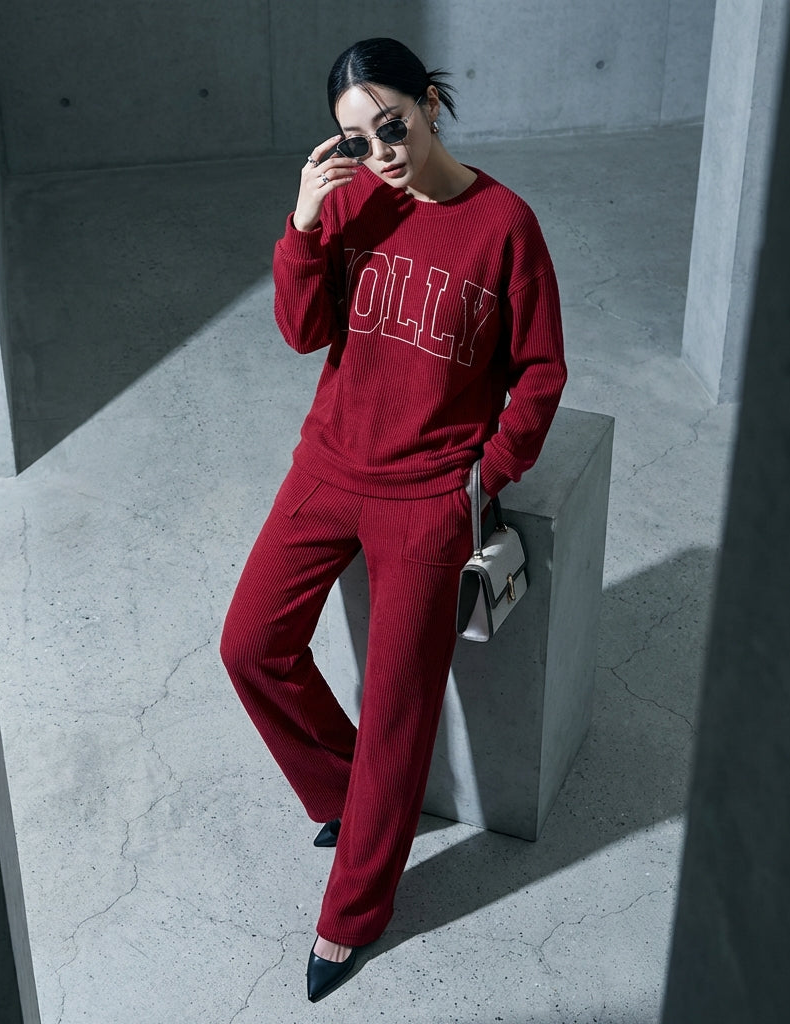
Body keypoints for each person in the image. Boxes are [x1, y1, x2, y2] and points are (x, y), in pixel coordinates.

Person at [220, 37, 566, 1002]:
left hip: (429, 496)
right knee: (250, 645)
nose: (382, 152)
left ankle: (354, 913)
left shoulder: (505, 225)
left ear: (431, 104)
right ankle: (347, 793)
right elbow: (303, 333)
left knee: (398, 713)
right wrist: (302, 223)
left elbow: (542, 370)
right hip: (330, 466)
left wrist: (488, 474)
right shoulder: (353, 202)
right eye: (357, 139)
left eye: (394, 126)